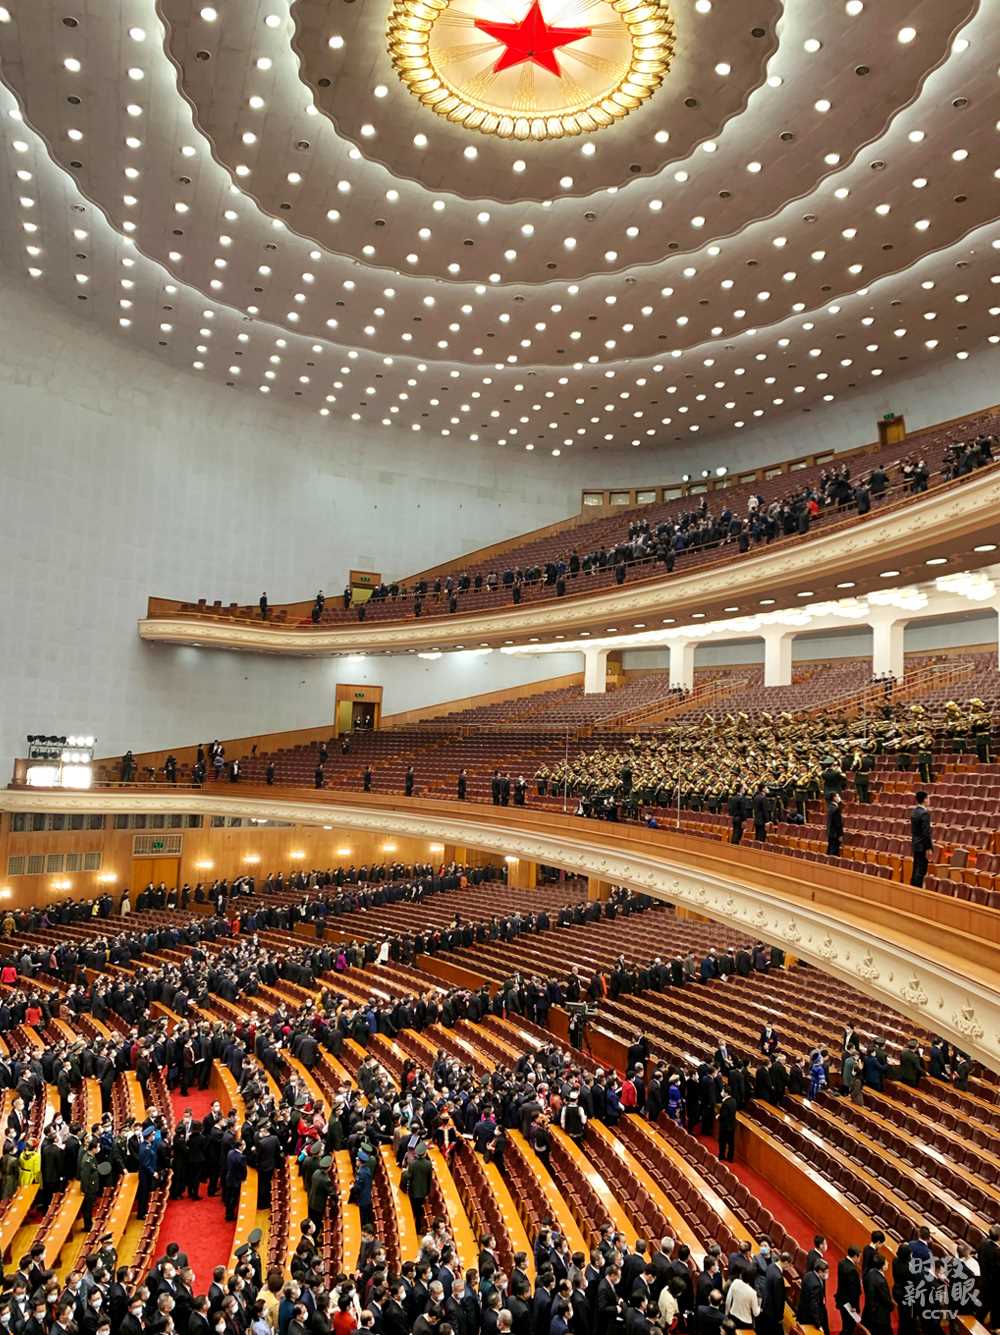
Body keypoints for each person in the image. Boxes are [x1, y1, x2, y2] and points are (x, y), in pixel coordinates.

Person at [862, 1256, 893, 1335]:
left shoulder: (870, 1272)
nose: (888, 1263)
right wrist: (891, 1306)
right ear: (882, 1266)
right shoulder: (881, 1281)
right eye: (886, 1262)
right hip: (880, 1315)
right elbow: (885, 1298)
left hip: (869, 1311)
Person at [797, 1260, 829, 1335]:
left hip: (802, 1312)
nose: (827, 1274)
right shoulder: (816, 1285)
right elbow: (814, 1306)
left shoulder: (808, 1274)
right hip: (809, 1317)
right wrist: (818, 1324)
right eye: (826, 1272)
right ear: (820, 1271)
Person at [835, 1248, 862, 1335]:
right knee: (849, 1327)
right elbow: (853, 1291)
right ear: (855, 1256)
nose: (860, 1259)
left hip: (841, 1299)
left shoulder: (842, 1263)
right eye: (859, 1257)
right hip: (849, 1304)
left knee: (845, 1325)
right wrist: (854, 1306)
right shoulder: (852, 1270)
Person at [910, 790, 933, 888]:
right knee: (921, 870)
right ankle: (917, 890)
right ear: (924, 799)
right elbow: (926, 833)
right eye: (928, 798)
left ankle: (912, 888)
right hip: (922, 845)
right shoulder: (924, 813)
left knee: (915, 868)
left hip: (915, 844)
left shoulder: (914, 811)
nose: (929, 800)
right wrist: (929, 847)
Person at [825, 791, 843, 856]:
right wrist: (840, 834)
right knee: (834, 852)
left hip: (830, 833)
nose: (839, 798)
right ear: (834, 798)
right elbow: (838, 823)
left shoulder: (829, 807)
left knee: (830, 850)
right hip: (835, 834)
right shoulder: (835, 809)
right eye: (838, 796)